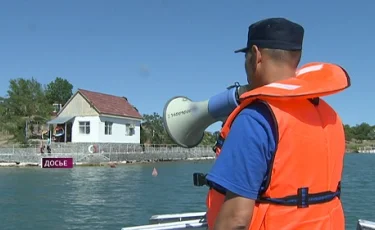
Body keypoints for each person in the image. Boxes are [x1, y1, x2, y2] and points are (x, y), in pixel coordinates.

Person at [205, 18, 349, 230]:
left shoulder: (255, 118)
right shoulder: (331, 117)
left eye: (246, 57)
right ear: (296, 58)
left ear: (256, 55)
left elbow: (235, 220)